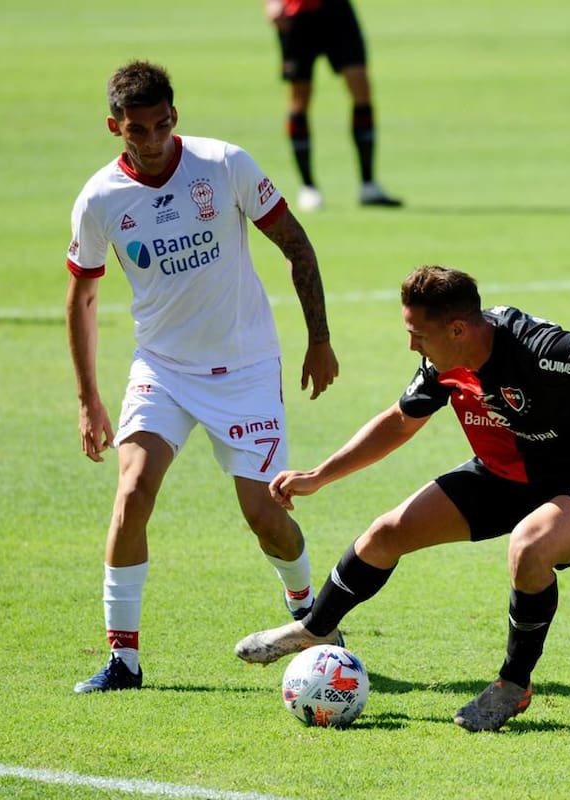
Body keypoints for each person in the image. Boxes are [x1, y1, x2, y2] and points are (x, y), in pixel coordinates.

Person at [233, 265, 570, 731]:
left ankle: (513, 684)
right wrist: (319, 476)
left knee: (530, 547)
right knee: (386, 533)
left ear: (458, 329)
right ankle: (315, 627)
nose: (411, 345)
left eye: (418, 334)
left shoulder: (534, 347)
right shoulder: (444, 361)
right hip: (505, 477)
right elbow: (401, 420)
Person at [65, 60, 340, 693]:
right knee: (132, 493)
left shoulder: (224, 165)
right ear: (116, 127)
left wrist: (318, 340)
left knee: (264, 513)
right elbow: (81, 300)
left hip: (245, 367)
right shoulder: (101, 199)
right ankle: (123, 660)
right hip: (161, 370)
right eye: (138, 130)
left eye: (162, 125)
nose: (154, 140)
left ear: (175, 117)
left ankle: (311, 618)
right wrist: (89, 400)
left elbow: (297, 245)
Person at [264, 0, 402, 210]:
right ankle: (308, 187)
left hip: (336, 10)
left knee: (361, 87)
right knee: (300, 97)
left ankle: (368, 185)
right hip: (296, 13)